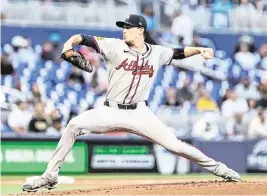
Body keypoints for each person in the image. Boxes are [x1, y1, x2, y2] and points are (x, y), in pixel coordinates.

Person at [22, 14, 240, 192]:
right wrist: (69, 44)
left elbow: (179, 52)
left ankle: (221, 169)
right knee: (73, 125)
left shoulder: (156, 52)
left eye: (128, 27)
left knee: (176, 146)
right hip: (111, 110)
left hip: (140, 113)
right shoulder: (114, 46)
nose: (123, 30)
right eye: (123, 27)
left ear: (140, 31)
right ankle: (50, 175)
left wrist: (200, 50)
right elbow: (83, 38)